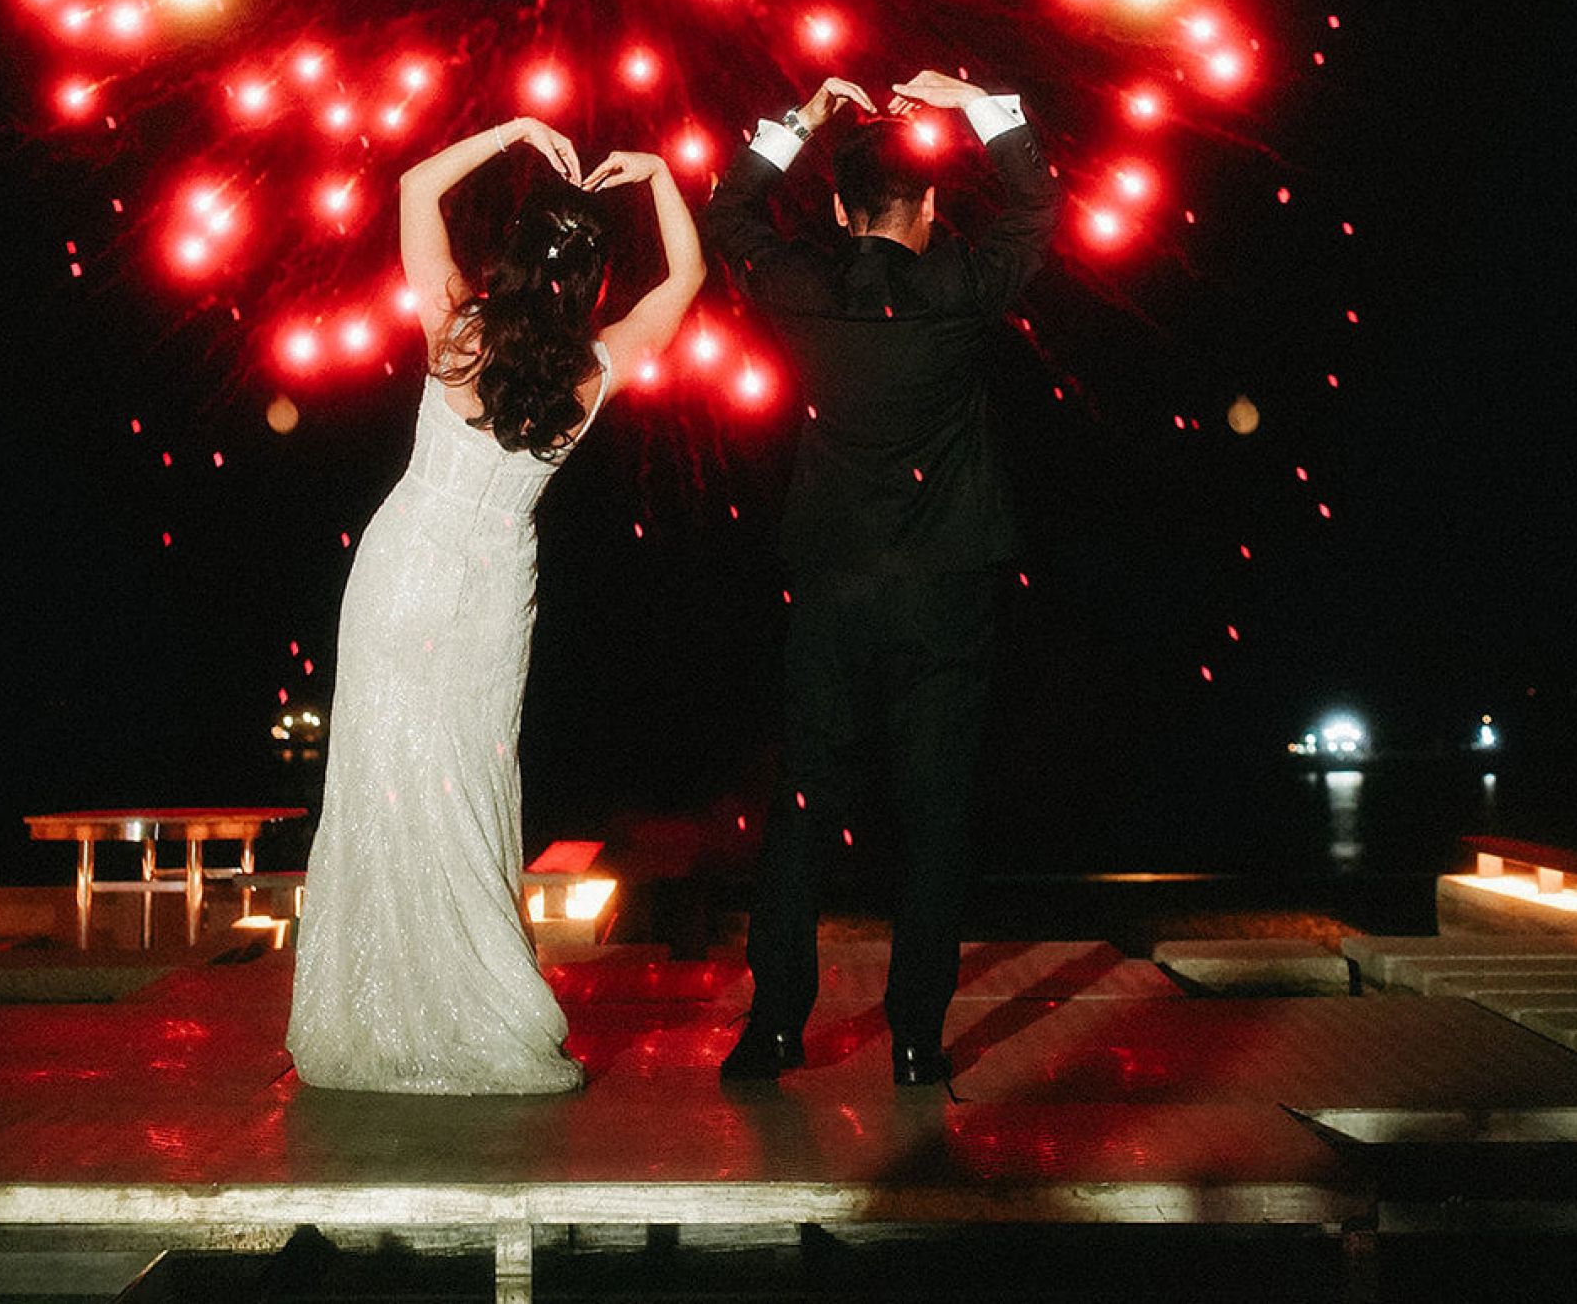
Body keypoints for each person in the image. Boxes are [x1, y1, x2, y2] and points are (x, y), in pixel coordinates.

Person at [287, 114, 704, 1093]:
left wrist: (512, 129)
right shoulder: (594, 369)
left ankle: (379, 999)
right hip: (487, 584)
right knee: (463, 783)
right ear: (594, 279)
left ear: (515, 255)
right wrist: (659, 178)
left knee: (383, 773)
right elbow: (685, 280)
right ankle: (473, 993)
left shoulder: (456, 325)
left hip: (400, 568)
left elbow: (411, 188)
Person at [703, 67, 1061, 1088]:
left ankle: (775, 1027)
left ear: (834, 208)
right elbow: (1037, 201)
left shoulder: (808, 292)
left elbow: (729, 207)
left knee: (806, 802)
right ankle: (914, 1038)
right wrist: (980, 103)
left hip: (832, 584)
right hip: (949, 586)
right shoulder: (962, 292)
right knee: (937, 810)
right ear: (934, 203)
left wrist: (800, 116)